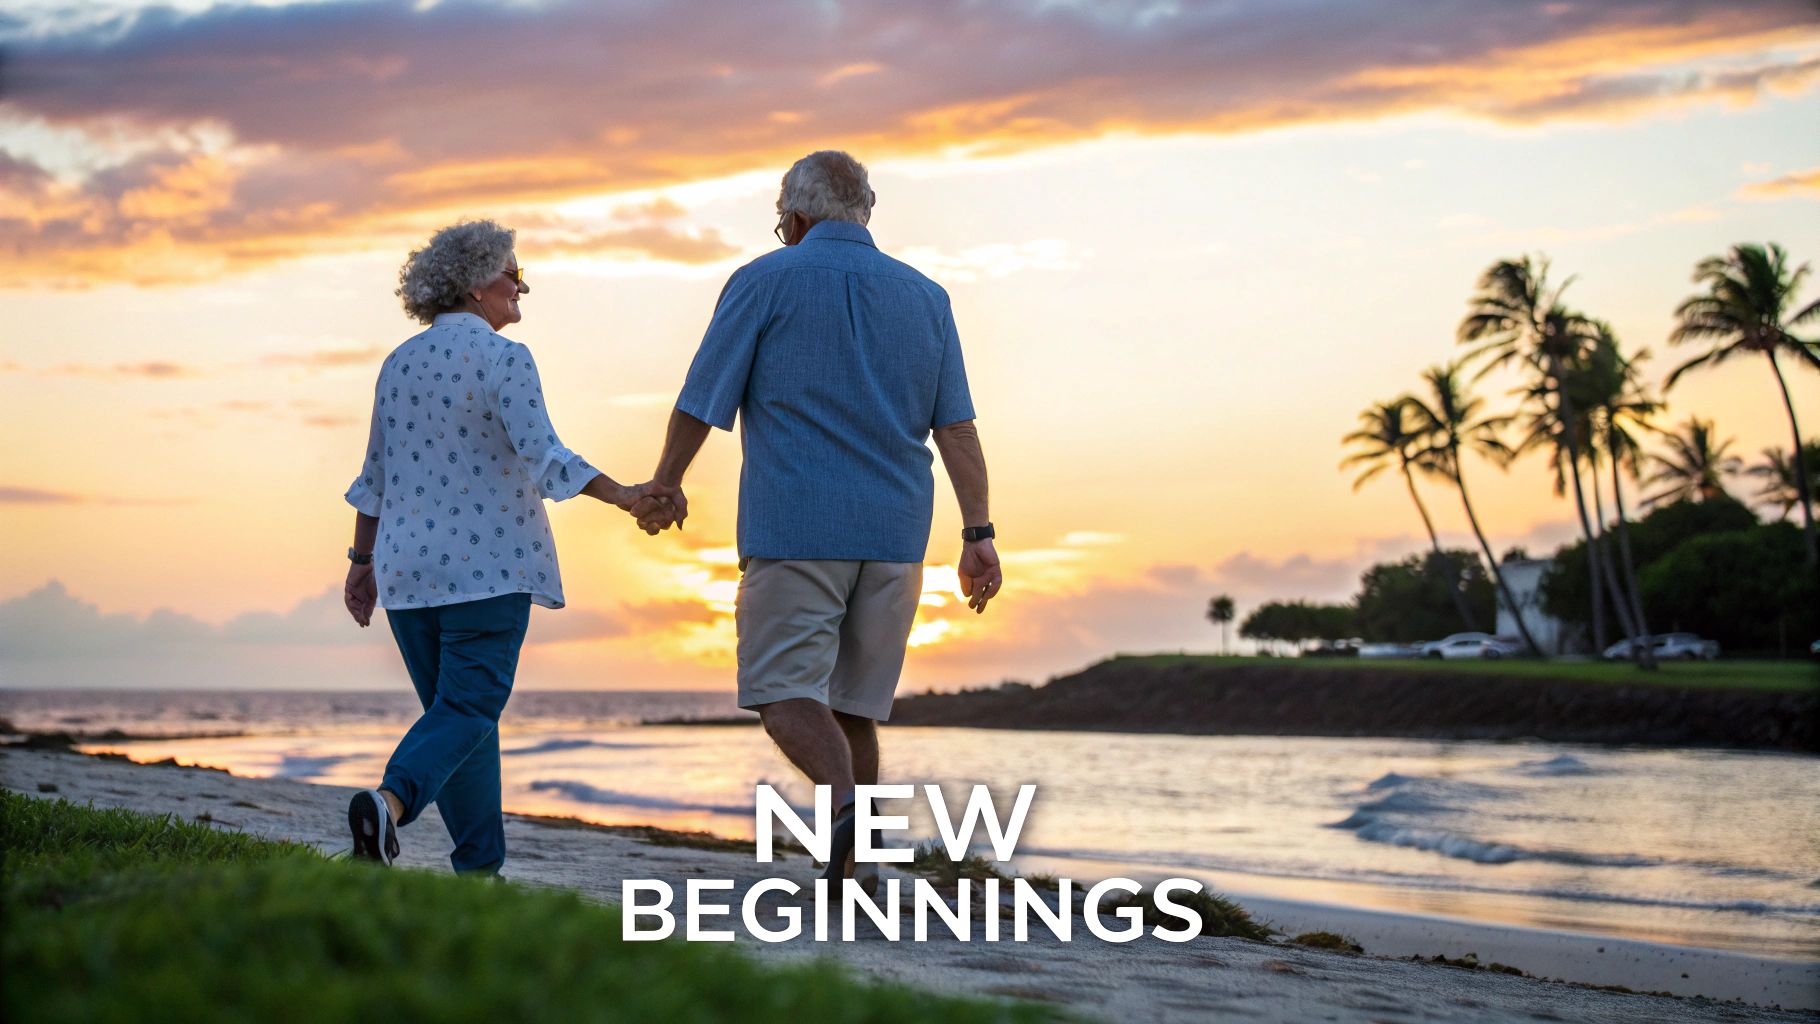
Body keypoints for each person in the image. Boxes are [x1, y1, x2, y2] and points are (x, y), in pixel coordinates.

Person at [633, 151, 1002, 886]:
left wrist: (666, 482)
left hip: (797, 526)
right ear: (864, 213)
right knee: (853, 708)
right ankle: (854, 865)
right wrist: (979, 535)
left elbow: (703, 396)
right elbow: (955, 429)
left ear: (795, 219)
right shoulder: (925, 295)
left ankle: (839, 812)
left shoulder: (766, 280)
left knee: (781, 695)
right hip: (897, 536)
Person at [341, 219, 673, 874]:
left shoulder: (398, 363)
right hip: (486, 570)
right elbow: (546, 458)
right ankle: (389, 803)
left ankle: (479, 872)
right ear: (472, 286)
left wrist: (360, 564)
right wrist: (626, 494)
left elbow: (373, 478)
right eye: (512, 275)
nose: (522, 287)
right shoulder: (505, 358)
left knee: (460, 721)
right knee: (467, 709)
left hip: (406, 574)